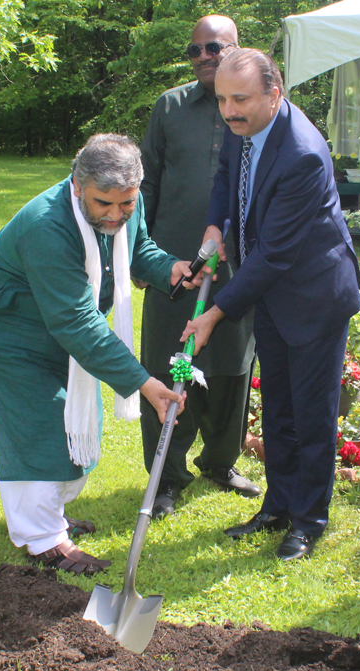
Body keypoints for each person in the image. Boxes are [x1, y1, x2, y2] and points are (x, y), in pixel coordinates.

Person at [0, 134, 191, 575]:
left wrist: (171, 269)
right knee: (38, 429)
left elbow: (137, 251)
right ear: (77, 186)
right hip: (2, 330)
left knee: (69, 427)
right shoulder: (47, 225)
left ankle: (50, 519)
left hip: (50, 328)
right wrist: (142, 382)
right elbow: (76, 322)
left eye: (127, 204)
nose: (116, 216)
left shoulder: (118, 209)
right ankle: (43, 540)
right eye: (104, 204)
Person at [181, 49, 360, 561]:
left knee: (311, 414)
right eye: (221, 99)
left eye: (240, 99)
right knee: (279, 407)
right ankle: (278, 507)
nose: (229, 110)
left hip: (312, 296)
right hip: (273, 294)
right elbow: (225, 178)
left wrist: (215, 313)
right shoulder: (243, 129)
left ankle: (308, 521)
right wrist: (216, 227)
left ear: (273, 94)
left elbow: (275, 254)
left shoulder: (301, 153)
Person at [139, 15, 261, 520]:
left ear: (236, 48)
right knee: (173, 365)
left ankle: (219, 462)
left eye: (216, 47)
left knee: (232, 368)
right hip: (175, 271)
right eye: (196, 50)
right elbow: (144, 188)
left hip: (239, 269)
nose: (205, 56)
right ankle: (167, 477)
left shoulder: (257, 108)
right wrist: (144, 257)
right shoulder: (169, 107)